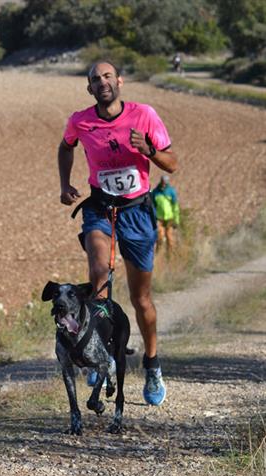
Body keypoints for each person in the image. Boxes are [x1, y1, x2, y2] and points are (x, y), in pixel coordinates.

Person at [57, 61, 179, 406]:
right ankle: (99, 354)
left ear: (119, 81)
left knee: (141, 299)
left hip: (138, 211)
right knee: (98, 274)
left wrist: (149, 151)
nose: (102, 83)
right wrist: (65, 184)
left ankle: (152, 364)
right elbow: (66, 147)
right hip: (100, 208)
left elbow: (173, 163)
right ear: (90, 88)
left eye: (108, 76)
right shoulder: (80, 121)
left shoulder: (144, 115)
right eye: (95, 79)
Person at [152, 175, 180, 253]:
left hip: (169, 218)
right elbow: (153, 206)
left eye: (165, 183)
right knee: (160, 237)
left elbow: (175, 206)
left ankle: (170, 256)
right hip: (159, 218)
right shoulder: (155, 192)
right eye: (163, 182)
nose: (164, 184)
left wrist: (176, 220)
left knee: (169, 237)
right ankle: (158, 254)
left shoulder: (171, 191)